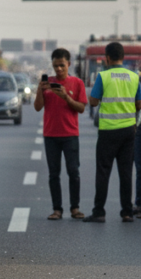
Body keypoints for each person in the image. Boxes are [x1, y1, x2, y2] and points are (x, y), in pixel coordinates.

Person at [86, 42, 141, 222]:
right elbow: (139, 104)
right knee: (126, 172)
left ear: (107, 58)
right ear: (123, 57)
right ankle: (126, 212)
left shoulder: (103, 76)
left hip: (108, 130)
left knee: (103, 171)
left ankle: (99, 212)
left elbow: (93, 102)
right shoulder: (134, 77)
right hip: (128, 131)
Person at [34, 48, 87, 220]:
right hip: (51, 135)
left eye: (62, 66)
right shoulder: (47, 83)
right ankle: (57, 209)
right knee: (53, 173)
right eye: (55, 66)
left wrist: (66, 97)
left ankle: (75, 208)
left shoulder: (77, 83)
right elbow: (37, 107)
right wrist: (40, 91)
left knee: (73, 171)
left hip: (70, 134)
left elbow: (81, 108)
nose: (58, 69)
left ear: (69, 64)